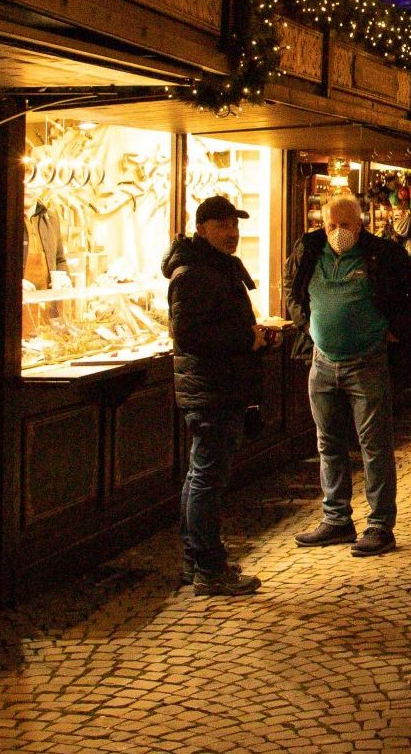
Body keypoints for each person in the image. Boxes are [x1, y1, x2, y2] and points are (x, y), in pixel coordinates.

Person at [287, 193, 411, 558]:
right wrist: (306, 325)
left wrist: (398, 328)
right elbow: (292, 289)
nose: (338, 232)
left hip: (366, 362)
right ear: (322, 225)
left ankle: (380, 525)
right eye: (331, 225)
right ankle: (336, 519)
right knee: (328, 443)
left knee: (374, 446)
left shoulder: (380, 254)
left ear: (360, 224)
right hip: (322, 363)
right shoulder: (309, 251)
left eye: (345, 225)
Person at [163, 194, 277, 596]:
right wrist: (246, 339)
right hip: (211, 390)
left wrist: (254, 337)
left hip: (219, 386)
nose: (232, 233)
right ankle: (209, 568)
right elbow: (189, 335)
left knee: (201, 476)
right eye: (222, 226)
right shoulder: (193, 273)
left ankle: (196, 562)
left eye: (235, 226)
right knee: (207, 479)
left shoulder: (215, 266)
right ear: (201, 229)